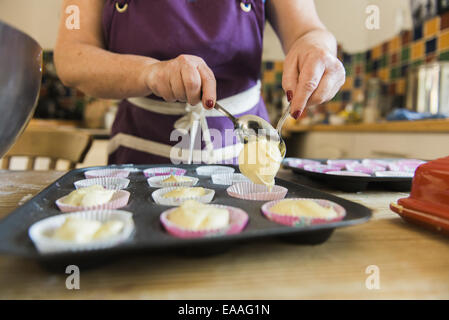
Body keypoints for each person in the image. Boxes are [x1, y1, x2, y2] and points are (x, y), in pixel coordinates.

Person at [55, 0, 345, 165]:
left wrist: (316, 49)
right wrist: (150, 73)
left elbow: (308, 29)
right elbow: (72, 56)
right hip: (140, 154)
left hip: (245, 154)